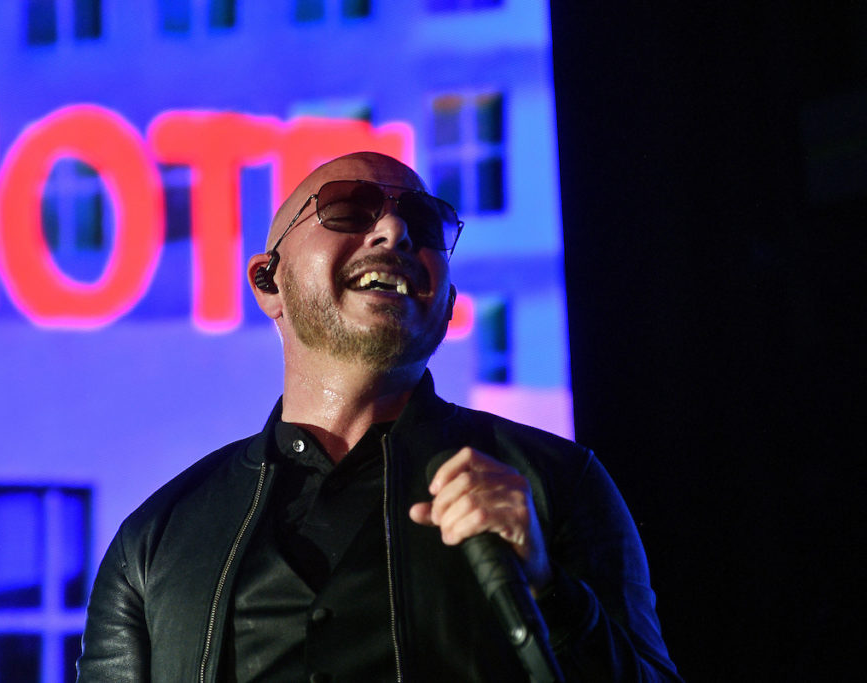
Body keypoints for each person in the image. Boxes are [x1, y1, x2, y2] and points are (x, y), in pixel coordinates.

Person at [77, 152, 681, 682]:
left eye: (423, 225)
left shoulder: (556, 485)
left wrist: (548, 589)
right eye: (348, 208)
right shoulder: (157, 540)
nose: (393, 229)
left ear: (447, 303)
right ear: (269, 282)